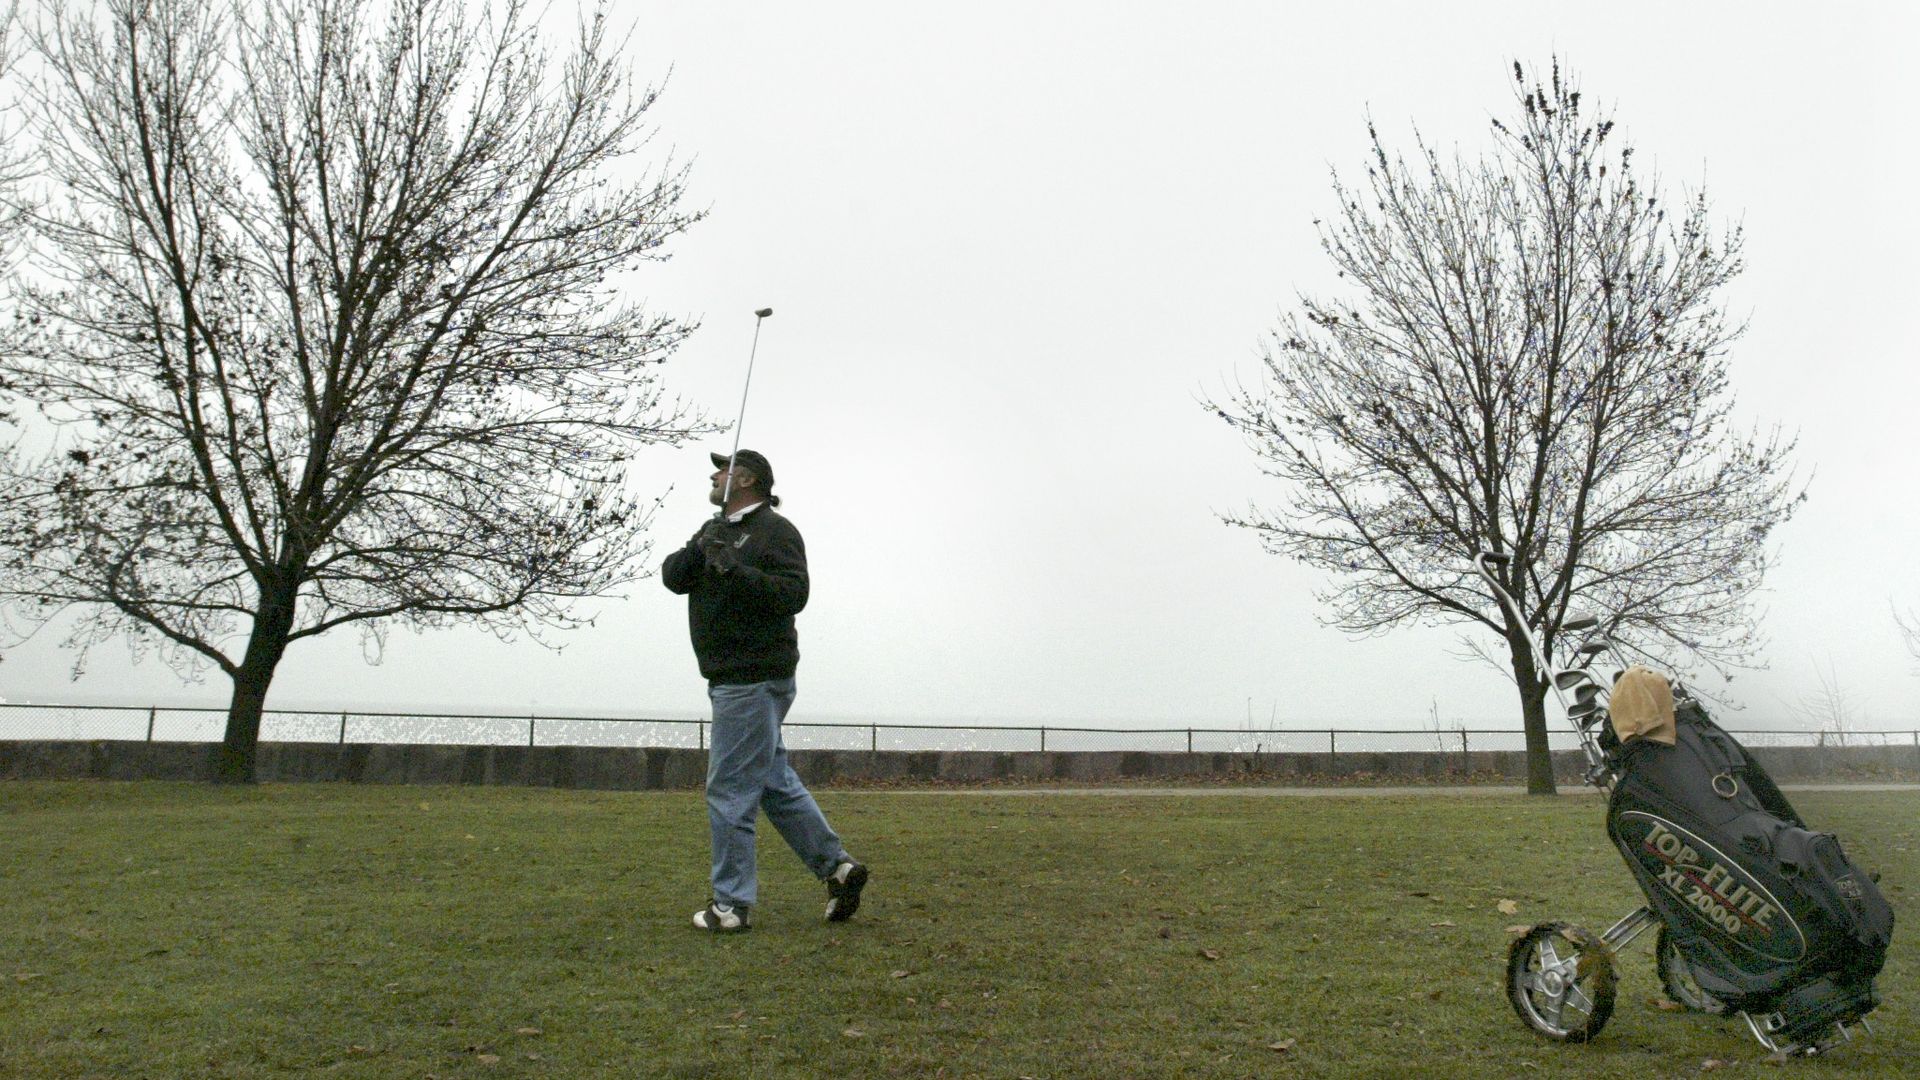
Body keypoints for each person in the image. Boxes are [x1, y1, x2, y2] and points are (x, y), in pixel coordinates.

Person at [662, 449, 868, 932]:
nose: (714, 476)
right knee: (774, 783)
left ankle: (730, 906)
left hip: (751, 677)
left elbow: (794, 595)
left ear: (747, 479)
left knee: (730, 790)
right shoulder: (714, 529)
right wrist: (701, 550)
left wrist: (736, 569)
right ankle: (838, 869)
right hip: (733, 679)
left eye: (723, 469)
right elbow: (673, 578)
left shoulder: (777, 531)